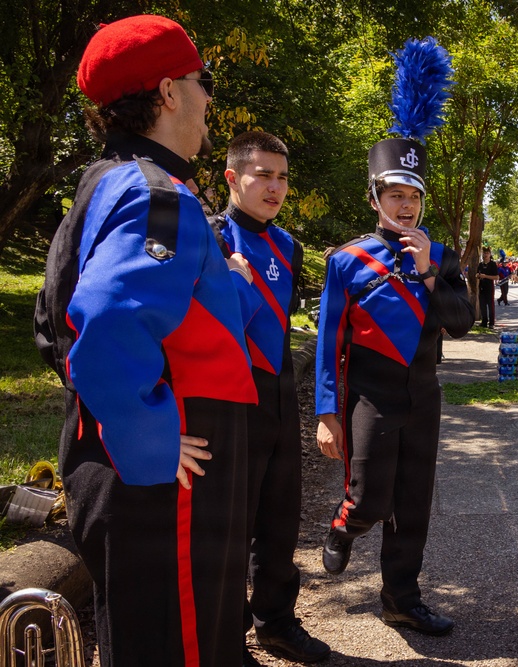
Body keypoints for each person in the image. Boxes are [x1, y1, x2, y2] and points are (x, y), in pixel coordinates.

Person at [33, 15, 259, 666]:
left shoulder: (110, 181)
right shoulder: (160, 198)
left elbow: (54, 321)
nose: (209, 97)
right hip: (160, 487)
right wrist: (151, 439)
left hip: (128, 467)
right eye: (202, 81)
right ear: (167, 93)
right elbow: (103, 324)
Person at [315, 36, 474, 638]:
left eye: (413, 196)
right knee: (372, 500)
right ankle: (343, 524)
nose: (405, 205)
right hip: (371, 396)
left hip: (424, 394)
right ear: (376, 198)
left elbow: (461, 322)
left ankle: (401, 597)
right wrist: (327, 415)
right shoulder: (347, 260)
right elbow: (329, 344)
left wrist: (433, 269)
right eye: (394, 195)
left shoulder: (442, 255)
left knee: (413, 506)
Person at [212, 131, 330, 664]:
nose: (275, 187)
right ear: (233, 178)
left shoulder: (289, 245)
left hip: (279, 393)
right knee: (231, 524)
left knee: (281, 520)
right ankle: (226, 635)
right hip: (229, 398)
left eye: (282, 177)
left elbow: (279, 325)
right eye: (263, 175)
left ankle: (277, 622)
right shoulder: (211, 236)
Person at [476, 247, 499, 327]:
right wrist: (478, 276)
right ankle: (484, 321)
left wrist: (485, 276)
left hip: (489, 287)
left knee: (490, 305)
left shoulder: (493, 264)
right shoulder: (480, 264)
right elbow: (477, 274)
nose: (485, 255)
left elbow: (496, 277)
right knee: (482, 305)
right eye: (484, 253)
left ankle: (491, 323)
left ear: (490, 254)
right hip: (481, 287)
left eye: (487, 253)